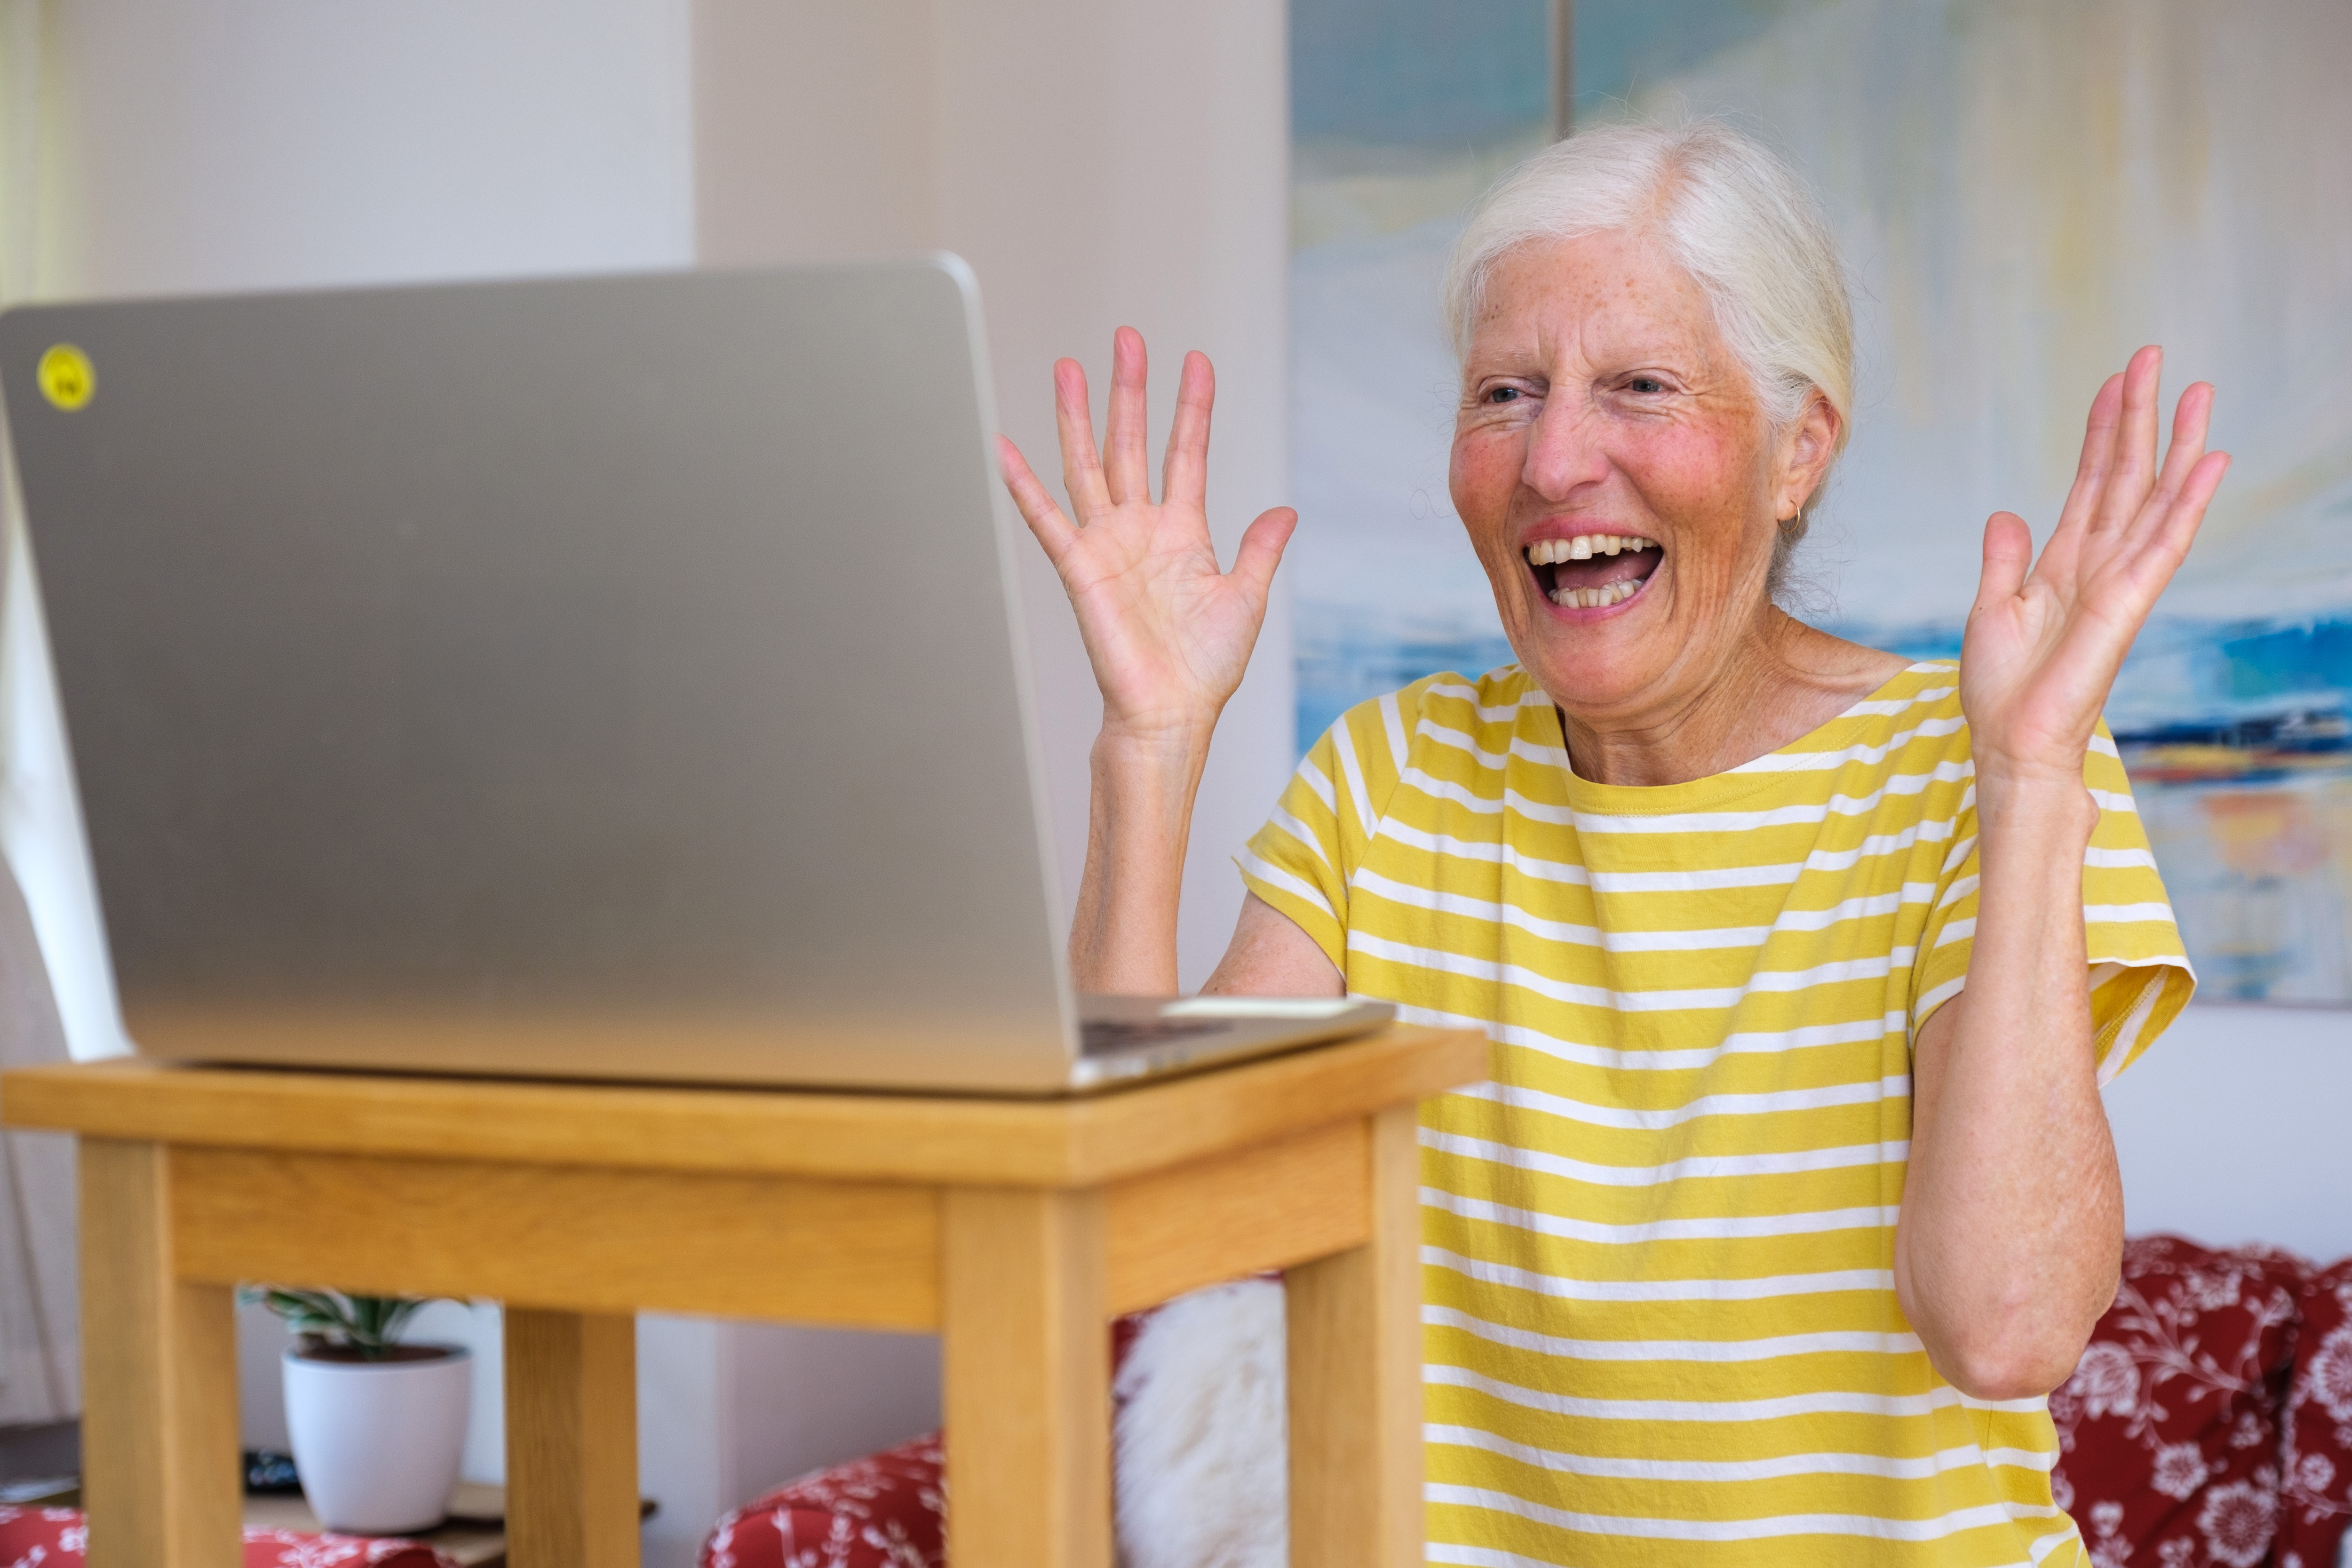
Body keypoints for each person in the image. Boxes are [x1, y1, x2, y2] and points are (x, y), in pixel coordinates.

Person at [998, 120, 2226, 1568]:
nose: (1555, 459)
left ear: (1797, 449)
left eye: (1639, 386)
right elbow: (1146, 1224)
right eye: (1504, 393)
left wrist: (2027, 776)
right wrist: (1147, 750)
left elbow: (2008, 1327)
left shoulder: (1979, 770)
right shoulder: (1395, 782)